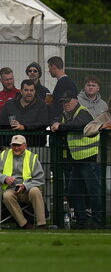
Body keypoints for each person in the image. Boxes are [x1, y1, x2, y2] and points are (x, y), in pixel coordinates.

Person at [51, 93, 102, 229]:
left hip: (89, 158)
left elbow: (78, 124)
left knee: (93, 191)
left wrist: (59, 126)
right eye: (63, 102)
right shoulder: (66, 115)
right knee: (74, 190)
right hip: (77, 160)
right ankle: (81, 220)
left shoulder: (83, 112)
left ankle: (97, 220)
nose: (65, 104)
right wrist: (55, 123)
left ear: (75, 101)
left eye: (67, 102)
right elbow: (55, 120)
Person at [0, 135, 47, 229]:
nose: (16, 148)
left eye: (19, 145)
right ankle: (24, 224)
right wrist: (4, 178)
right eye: (14, 145)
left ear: (25, 145)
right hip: (11, 190)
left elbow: (40, 179)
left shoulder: (32, 157)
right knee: (7, 196)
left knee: (36, 191)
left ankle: (41, 224)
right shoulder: (4, 155)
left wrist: (25, 186)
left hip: (28, 191)